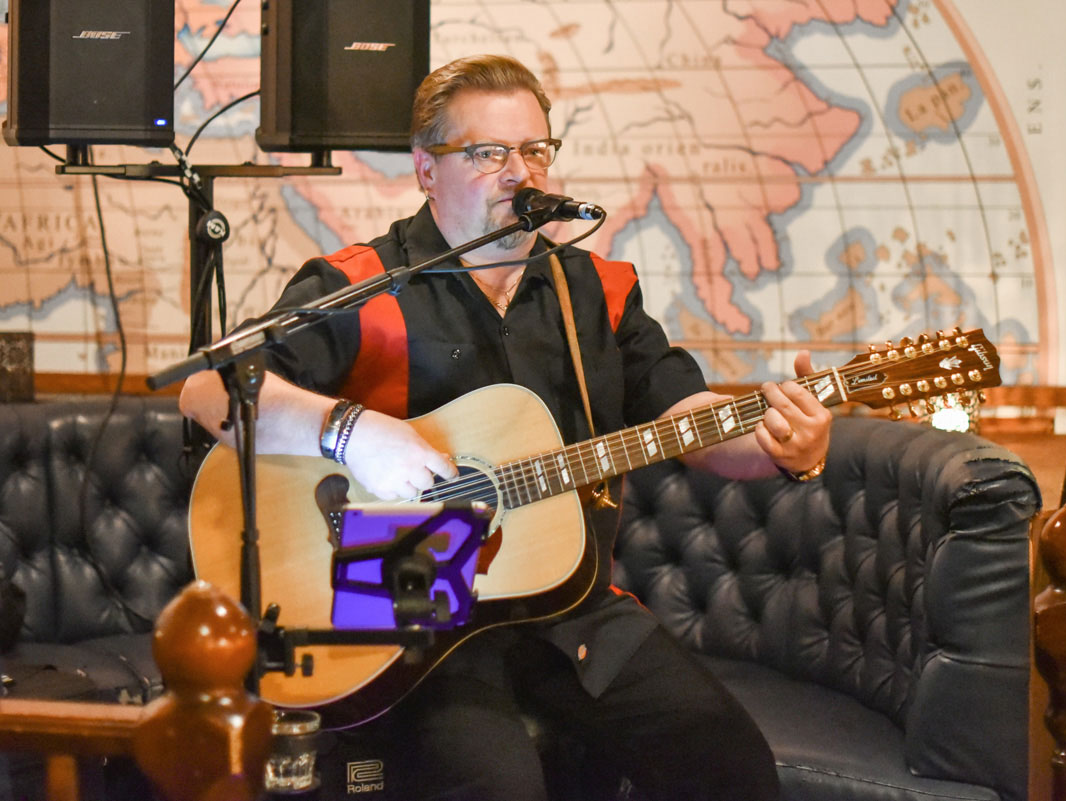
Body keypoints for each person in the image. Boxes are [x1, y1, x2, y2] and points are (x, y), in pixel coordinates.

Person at [180, 54, 831, 801]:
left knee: (730, 762)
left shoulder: (597, 289)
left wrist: (784, 447)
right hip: (414, 609)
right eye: (489, 152)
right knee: (498, 785)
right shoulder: (361, 284)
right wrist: (350, 431)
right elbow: (208, 390)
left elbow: (682, 413)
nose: (520, 173)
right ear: (427, 168)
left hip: (569, 608)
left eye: (535, 150)